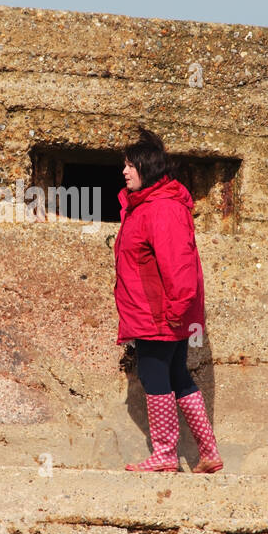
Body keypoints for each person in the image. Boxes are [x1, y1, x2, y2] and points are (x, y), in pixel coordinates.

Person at [113, 127, 223, 473]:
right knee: (177, 375)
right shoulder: (147, 206)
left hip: (159, 313)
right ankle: (208, 453)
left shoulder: (160, 209)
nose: (124, 172)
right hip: (159, 311)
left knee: (154, 373)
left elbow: (178, 263)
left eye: (130, 165)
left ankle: (164, 454)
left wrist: (175, 311)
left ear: (146, 168)